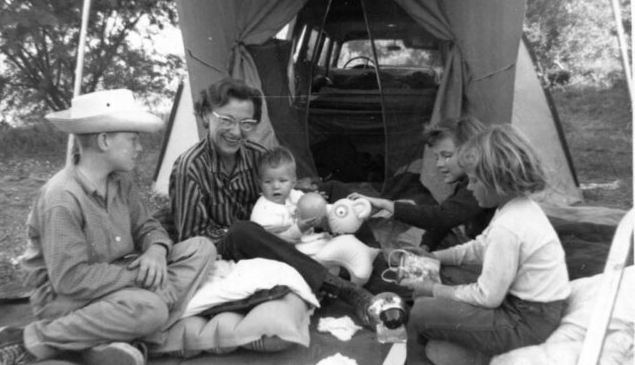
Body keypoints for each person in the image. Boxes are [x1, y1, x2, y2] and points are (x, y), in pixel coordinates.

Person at [0, 89, 216, 365]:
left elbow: (148, 226)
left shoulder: (121, 181)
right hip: (67, 297)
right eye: (133, 140)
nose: (139, 148)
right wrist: (139, 278)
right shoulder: (62, 198)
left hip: (117, 277)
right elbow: (70, 279)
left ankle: (115, 335)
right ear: (103, 140)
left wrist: (156, 251)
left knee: (202, 248)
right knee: (153, 309)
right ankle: (27, 340)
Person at [169, 77, 380, 326]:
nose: (236, 132)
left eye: (246, 123)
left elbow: (285, 188)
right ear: (205, 116)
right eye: (226, 121)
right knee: (243, 231)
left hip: (276, 231)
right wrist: (262, 233)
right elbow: (192, 238)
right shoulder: (189, 168)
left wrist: (309, 203)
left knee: (335, 189)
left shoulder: (257, 155)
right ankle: (345, 290)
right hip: (232, 243)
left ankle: (376, 266)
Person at [401, 124, 571, 365]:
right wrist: (433, 257)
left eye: (473, 180)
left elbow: (487, 296)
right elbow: (479, 248)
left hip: (525, 321)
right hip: (528, 310)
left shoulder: (509, 228)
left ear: (496, 180)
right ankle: (461, 346)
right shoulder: (514, 206)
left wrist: (433, 290)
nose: (468, 188)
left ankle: (487, 359)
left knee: (421, 312)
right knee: (442, 277)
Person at [350, 116, 496, 252]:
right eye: (436, 157)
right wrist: (425, 247)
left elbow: (442, 217)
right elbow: (444, 222)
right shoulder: (467, 184)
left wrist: (386, 204)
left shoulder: (480, 185)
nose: (439, 164)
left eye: (446, 156)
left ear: (470, 152)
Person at [250, 146, 379, 285]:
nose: (275, 186)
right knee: (323, 258)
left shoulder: (294, 195)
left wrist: (318, 203)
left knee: (340, 237)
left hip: (311, 241)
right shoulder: (263, 212)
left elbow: (310, 208)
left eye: (282, 181)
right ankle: (337, 279)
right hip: (290, 253)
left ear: (293, 181)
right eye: (268, 181)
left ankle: (359, 263)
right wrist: (298, 228)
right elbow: (273, 243)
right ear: (259, 183)